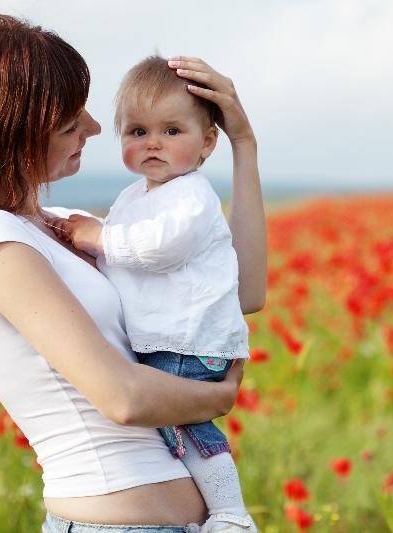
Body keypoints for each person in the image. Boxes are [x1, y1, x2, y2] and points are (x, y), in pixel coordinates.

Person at [0, 14, 266, 533]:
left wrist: (243, 144)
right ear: (17, 134)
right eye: (70, 121)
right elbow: (123, 398)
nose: (92, 128)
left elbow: (242, 288)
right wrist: (218, 396)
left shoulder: (67, 225)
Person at [50, 55, 256, 532]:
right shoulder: (134, 197)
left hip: (189, 341)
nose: (153, 144)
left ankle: (231, 513)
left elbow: (160, 247)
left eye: (171, 131)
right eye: (137, 132)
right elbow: (123, 259)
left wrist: (99, 237)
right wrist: (90, 246)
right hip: (165, 340)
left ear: (208, 143)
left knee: (184, 426)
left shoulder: (192, 194)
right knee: (171, 434)